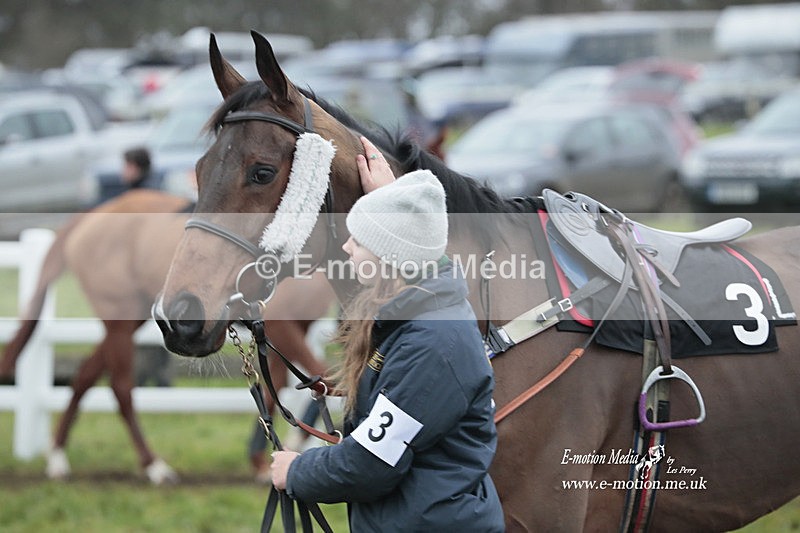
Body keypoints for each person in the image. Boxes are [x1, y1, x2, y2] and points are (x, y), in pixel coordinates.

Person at [271, 137, 504, 532]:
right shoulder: (418, 311)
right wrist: (390, 201)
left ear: (390, 258)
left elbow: (370, 464)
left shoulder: (432, 344)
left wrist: (297, 471)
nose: (347, 247)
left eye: (360, 241)